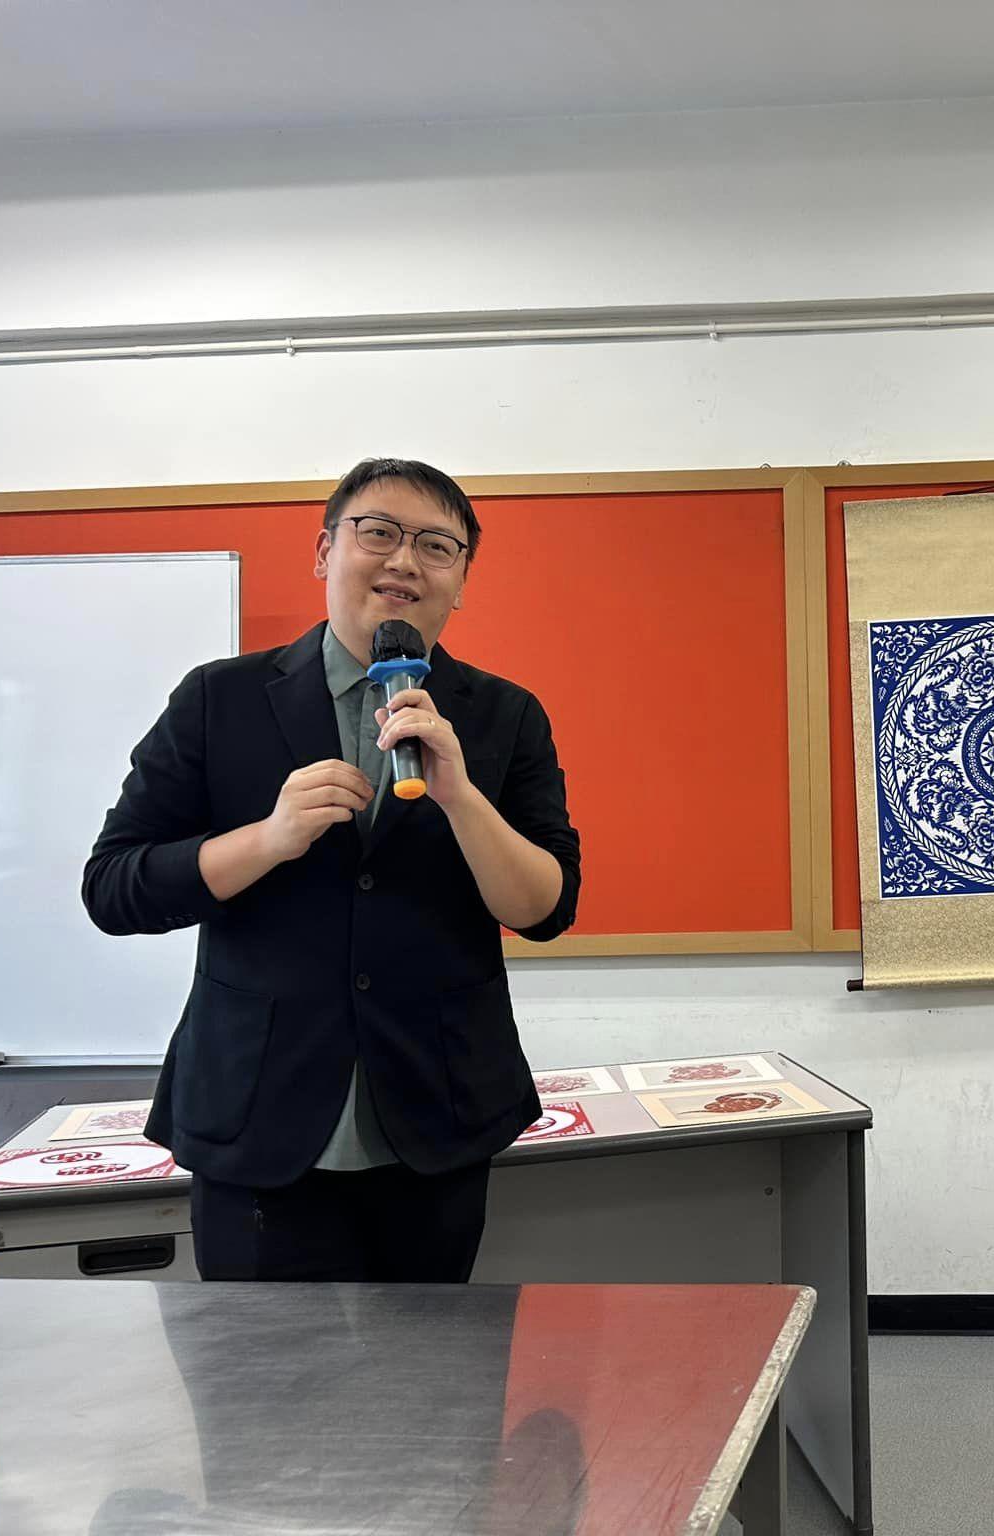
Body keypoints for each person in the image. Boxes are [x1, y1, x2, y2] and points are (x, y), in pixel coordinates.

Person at [82, 457, 582, 1282]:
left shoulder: (504, 714)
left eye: (437, 546)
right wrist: (267, 839)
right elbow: (113, 889)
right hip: (256, 1115)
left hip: (437, 1111)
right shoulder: (217, 699)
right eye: (378, 533)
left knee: (434, 1362)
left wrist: (461, 798)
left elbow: (545, 909)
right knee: (254, 1366)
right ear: (324, 552)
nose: (404, 561)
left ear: (461, 581)